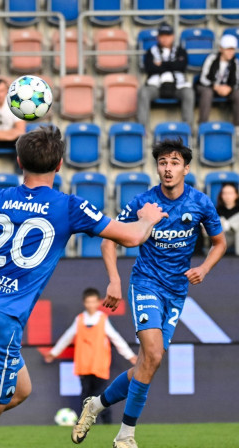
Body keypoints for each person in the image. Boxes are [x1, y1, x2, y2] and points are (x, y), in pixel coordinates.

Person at [0, 126, 167, 448]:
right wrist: (147, 218)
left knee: (19, 389)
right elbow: (131, 237)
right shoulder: (69, 206)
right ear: (59, 164)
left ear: (19, 161)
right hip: (0, 321)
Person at [73, 138, 226, 448]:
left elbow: (219, 242)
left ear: (186, 167)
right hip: (146, 283)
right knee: (154, 354)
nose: (167, 169)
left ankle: (97, 405)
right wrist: (114, 280)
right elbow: (108, 240)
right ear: (157, 167)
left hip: (177, 290)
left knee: (147, 363)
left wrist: (205, 269)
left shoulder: (200, 203)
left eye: (174, 163)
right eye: (162, 163)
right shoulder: (144, 204)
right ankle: (126, 436)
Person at [43, 287, 137, 424]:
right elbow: (67, 338)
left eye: (94, 302)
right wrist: (54, 353)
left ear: (98, 302)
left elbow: (116, 339)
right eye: (88, 302)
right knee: (85, 396)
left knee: (101, 396)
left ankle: (107, 423)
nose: (91, 305)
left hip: (99, 365)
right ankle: (85, 424)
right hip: (84, 365)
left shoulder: (102, 319)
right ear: (84, 303)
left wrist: (130, 356)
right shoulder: (79, 320)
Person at [137, 22, 194, 127]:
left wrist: (161, 64)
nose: (165, 39)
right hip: (156, 86)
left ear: (173, 36)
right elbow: (149, 68)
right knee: (144, 92)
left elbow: (181, 66)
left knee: (188, 93)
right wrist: (172, 64)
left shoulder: (180, 51)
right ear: (158, 37)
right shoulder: (151, 51)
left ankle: (188, 128)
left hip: (178, 85)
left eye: (167, 36)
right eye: (162, 36)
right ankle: (143, 129)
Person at [197, 34, 239, 125]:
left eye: (232, 49)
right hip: (210, 87)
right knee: (207, 93)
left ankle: (237, 126)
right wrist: (216, 87)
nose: (230, 52)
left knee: (238, 94)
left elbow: (236, 81)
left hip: (227, 89)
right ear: (221, 49)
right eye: (227, 49)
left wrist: (229, 88)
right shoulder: (211, 59)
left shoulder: (235, 62)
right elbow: (203, 78)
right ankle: (202, 124)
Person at [216, 183, 239, 255]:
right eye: (224, 193)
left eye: (230, 193)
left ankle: (228, 225)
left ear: (236, 195)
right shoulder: (216, 210)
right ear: (221, 195)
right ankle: (227, 225)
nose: (227, 196)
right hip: (222, 237)